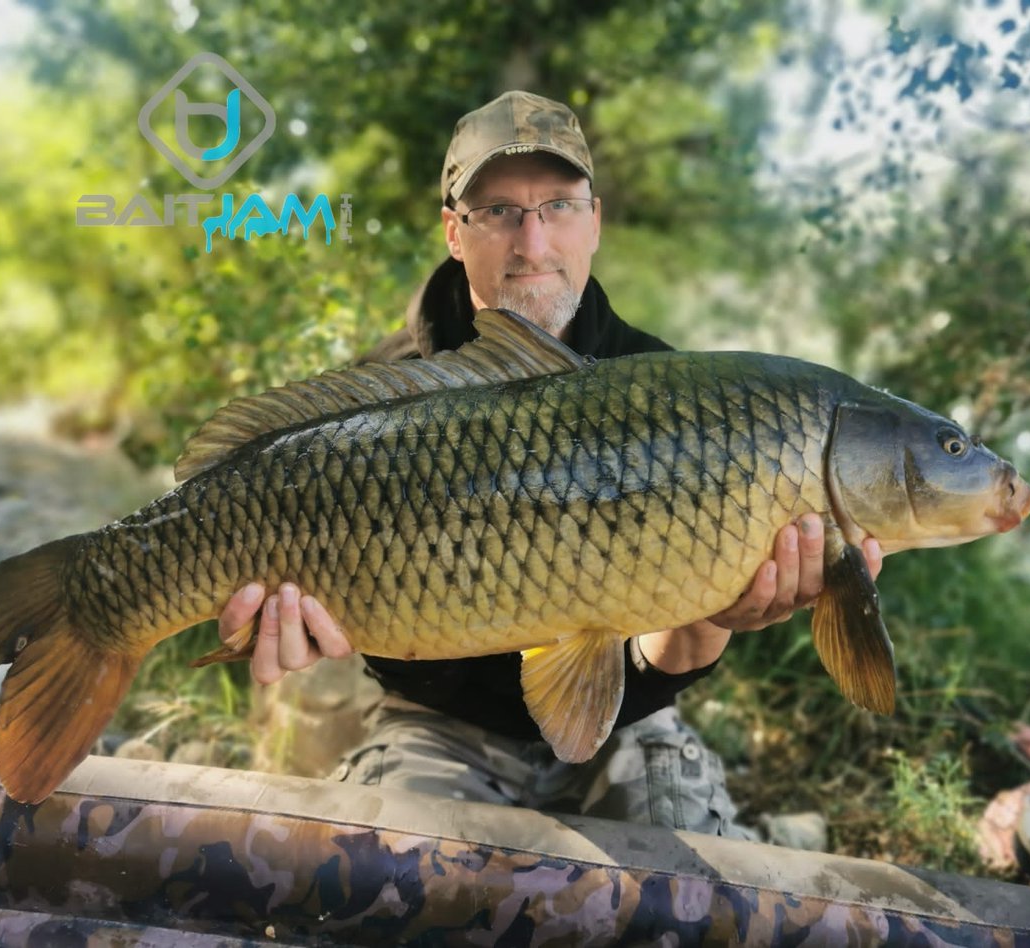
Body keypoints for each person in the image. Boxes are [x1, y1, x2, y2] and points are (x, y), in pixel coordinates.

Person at [217, 91, 882, 841]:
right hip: (439, 721)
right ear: (454, 232)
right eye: (499, 211)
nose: (532, 242)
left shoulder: (674, 390)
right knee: (379, 881)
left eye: (559, 207)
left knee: (693, 898)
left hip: (624, 728)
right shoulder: (380, 402)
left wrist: (716, 612)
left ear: (595, 221)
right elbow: (392, 652)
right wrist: (333, 619)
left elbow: (660, 665)